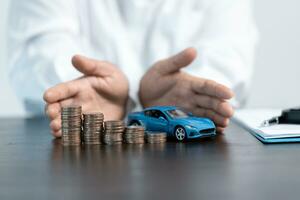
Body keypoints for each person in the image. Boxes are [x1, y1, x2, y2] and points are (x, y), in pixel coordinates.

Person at [7, 0, 258, 137]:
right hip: (68, 154)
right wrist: (81, 89)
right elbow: (37, 50)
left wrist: (191, 94)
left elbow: (230, 53)